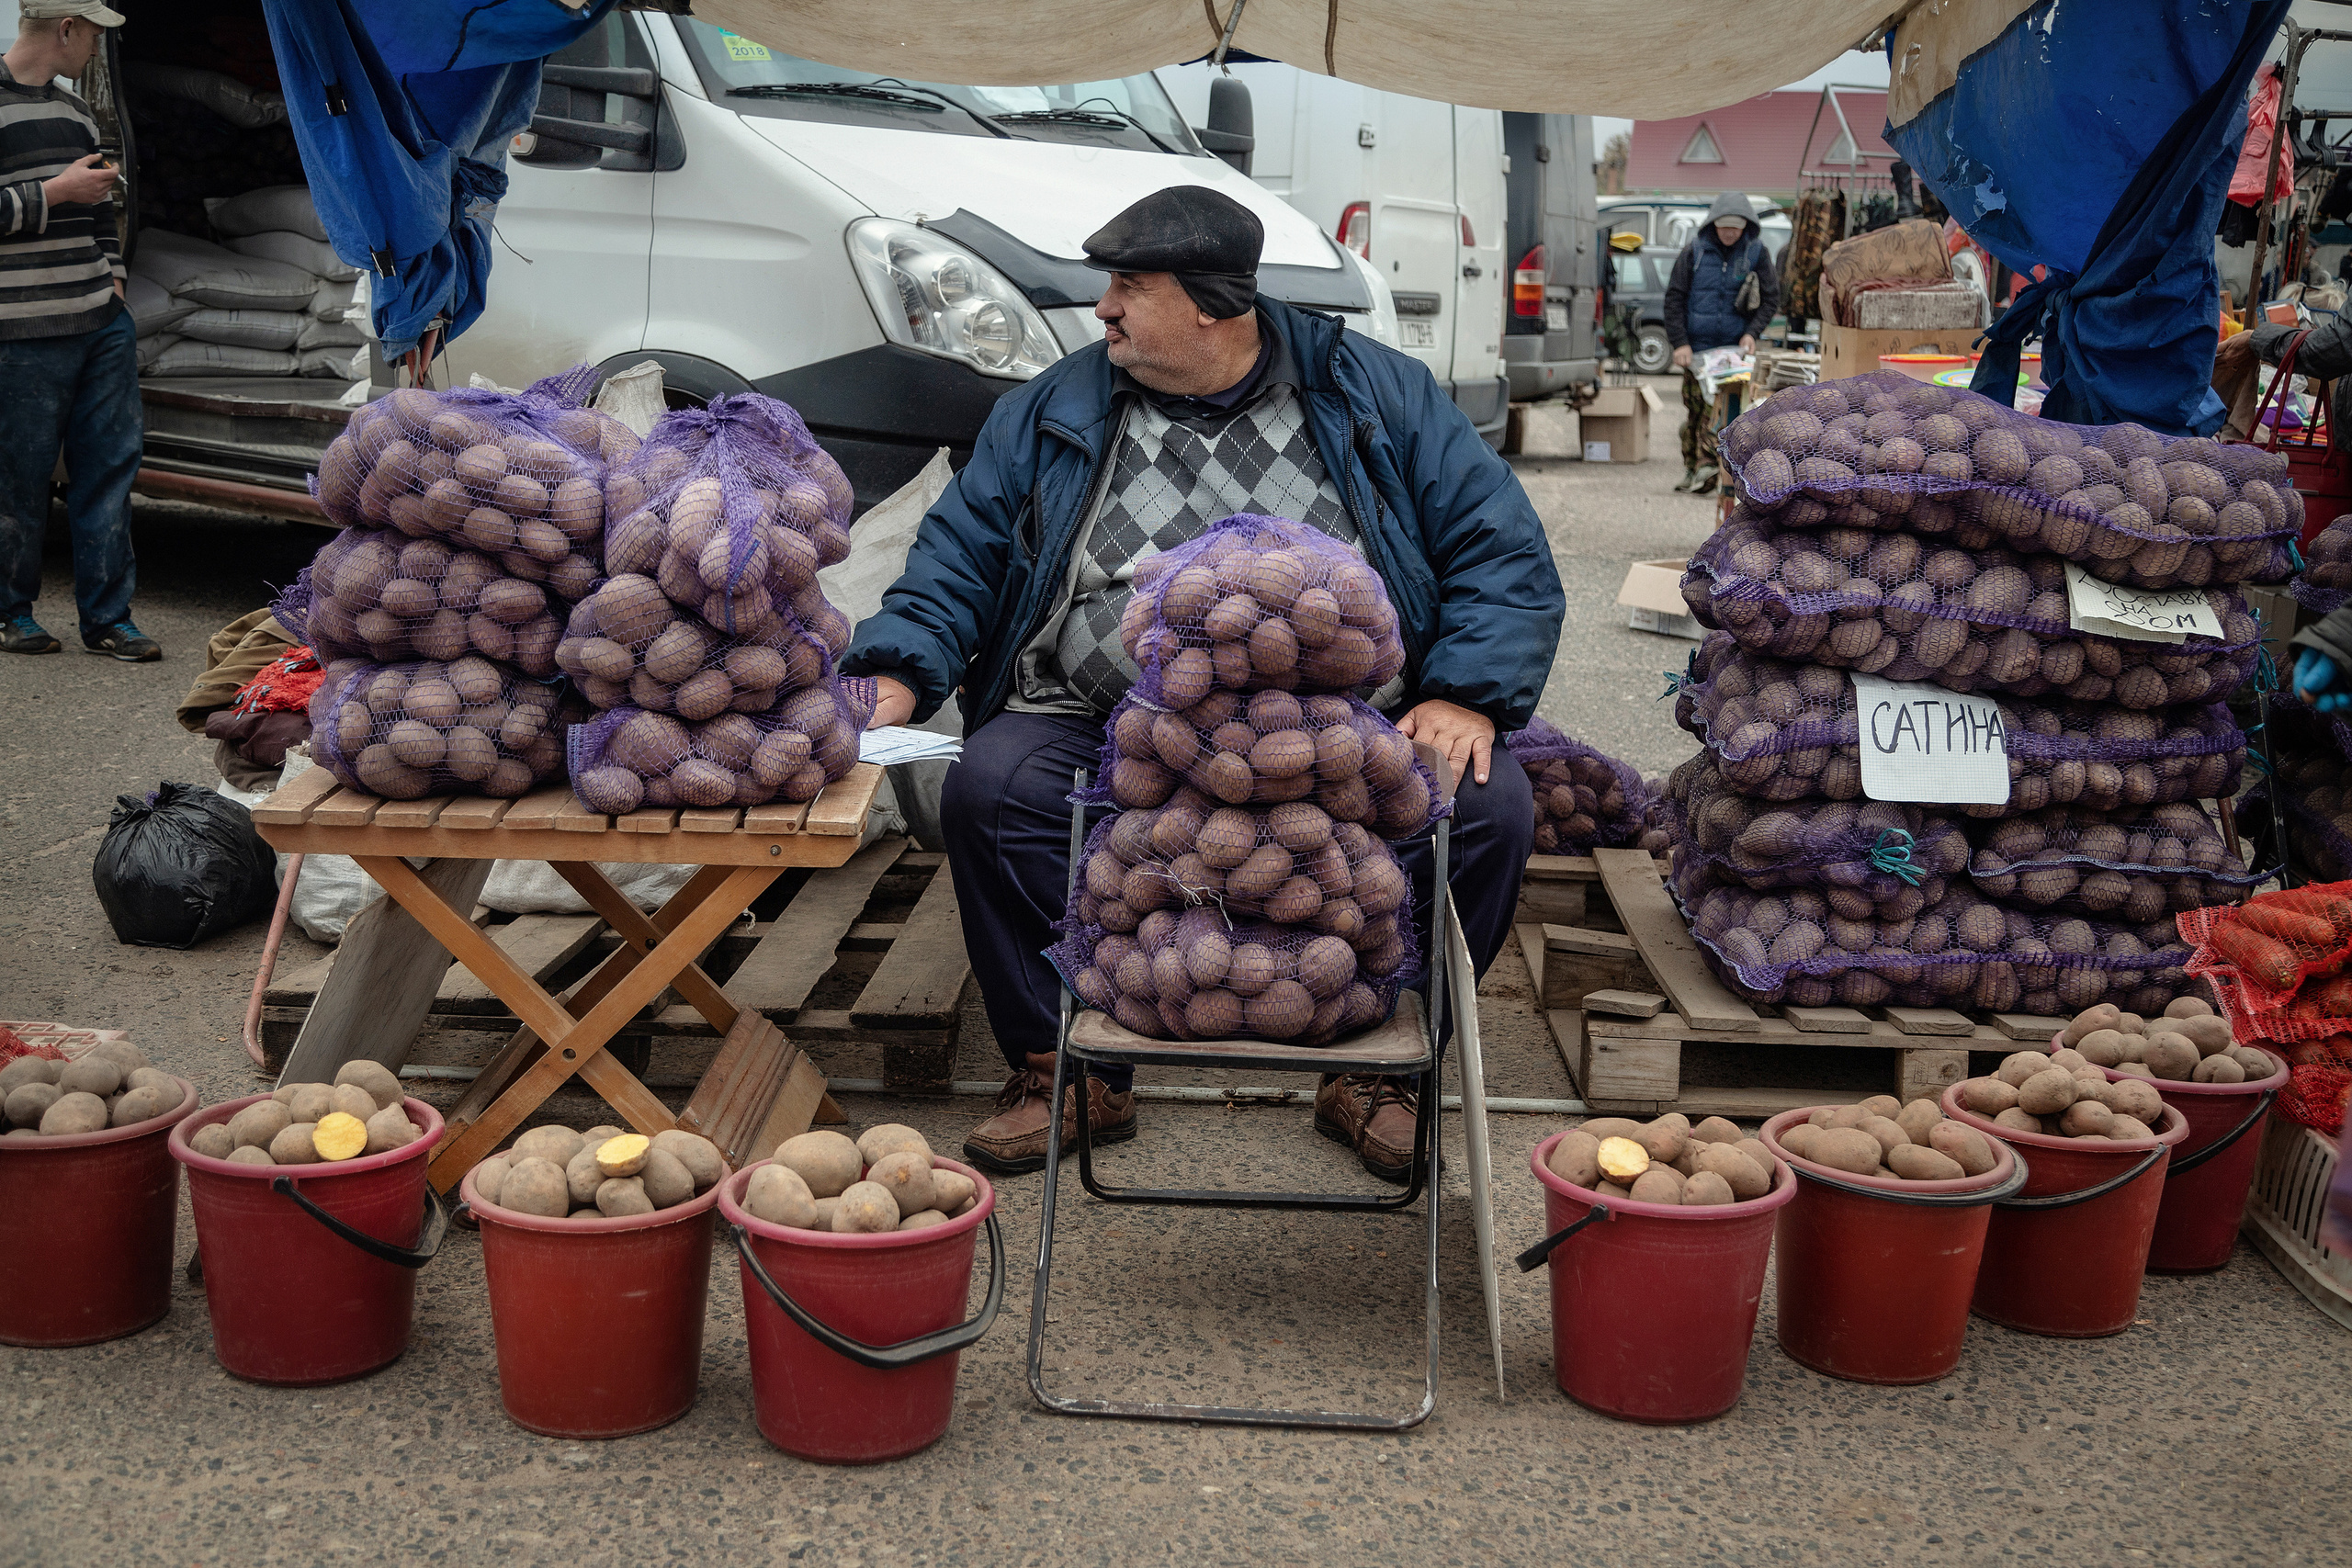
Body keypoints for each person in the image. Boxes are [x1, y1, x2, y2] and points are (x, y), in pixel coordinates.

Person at [844, 186, 1563, 1180]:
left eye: (1130, 285)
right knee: (992, 791)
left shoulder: (1372, 395)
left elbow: (1498, 551)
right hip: (1102, 716)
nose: (1103, 309)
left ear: (1215, 306)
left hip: (1337, 727)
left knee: (1484, 808)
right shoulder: (1055, 409)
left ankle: (1381, 1073)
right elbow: (956, 559)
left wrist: (1466, 690)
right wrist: (894, 670)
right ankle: (1063, 1062)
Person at [0, 0, 157, 661]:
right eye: (93, 36)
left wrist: (114, 277)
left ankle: (109, 618)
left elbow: (101, 206)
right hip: (20, 331)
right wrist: (52, 194)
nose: (97, 49)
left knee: (110, 471)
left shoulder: (76, 112)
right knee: (18, 479)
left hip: (99, 323)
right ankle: (11, 614)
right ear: (65, 29)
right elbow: (68, 192)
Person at [1662, 191, 1779, 496]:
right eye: (1724, 226)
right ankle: (1692, 468)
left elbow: (1771, 299)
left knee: (1722, 413)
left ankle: (1712, 470)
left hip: (1733, 354)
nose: (1729, 233)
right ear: (1713, 224)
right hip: (1695, 350)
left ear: (1745, 227)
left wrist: (1751, 333)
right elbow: (1674, 298)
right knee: (1694, 411)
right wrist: (1679, 343)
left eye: (1736, 228)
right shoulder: (1694, 252)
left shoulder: (1756, 253)